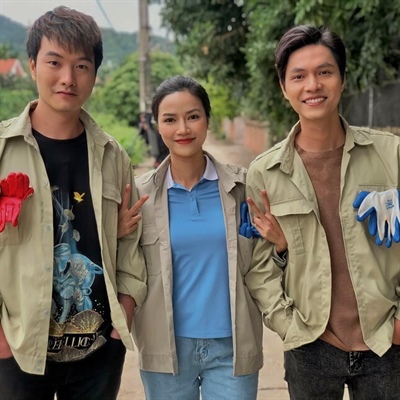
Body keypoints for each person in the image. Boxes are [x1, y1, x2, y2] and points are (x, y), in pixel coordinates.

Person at [0, 6, 148, 400]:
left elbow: (131, 246)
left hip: (98, 353)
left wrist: (122, 317)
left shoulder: (113, 157)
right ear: (33, 66)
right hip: (17, 353)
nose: (68, 78)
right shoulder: (2, 152)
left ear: (94, 74)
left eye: (82, 66)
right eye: (55, 62)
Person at [245, 25, 400, 399]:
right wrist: (290, 326)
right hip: (311, 347)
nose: (312, 85)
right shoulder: (265, 173)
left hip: (386, 342)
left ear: (343, 79)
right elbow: (259, 266)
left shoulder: (390, 154)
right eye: (299, 76)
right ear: (284, 88)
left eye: (324, 72)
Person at [123, 75, 263, 399]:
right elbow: (124, 266)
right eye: (170, 119)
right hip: (165, 348)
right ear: (157, 125)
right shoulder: (139, 197)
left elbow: (265, 261)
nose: (183, 129)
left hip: (232, 348)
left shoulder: (242, 188)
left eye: (193, 116)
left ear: (207, 120)